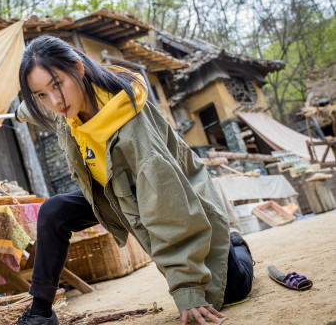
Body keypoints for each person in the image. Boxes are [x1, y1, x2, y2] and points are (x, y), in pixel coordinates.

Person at [14, 35, 254, 325]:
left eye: (57, 85)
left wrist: (188, 291)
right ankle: (40, 312)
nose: (53, 101)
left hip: (175, 201)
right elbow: (46, 107)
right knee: (54, 211)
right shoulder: (69, 105)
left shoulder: (133, 128)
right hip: (117, 193)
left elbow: (170, 209)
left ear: (78, 68)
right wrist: (24, 109)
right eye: (40, 94)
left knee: (229, 291)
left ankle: (234, 243)